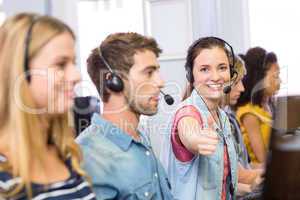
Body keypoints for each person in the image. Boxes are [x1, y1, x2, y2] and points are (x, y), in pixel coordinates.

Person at [0, 13, 96, 199]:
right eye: (60, 64)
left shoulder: (66, 155)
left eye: (73, 63)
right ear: (20, 73)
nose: (76, 76)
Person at [76, 32, 174, 199]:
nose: (161, 82)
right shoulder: (89, 157)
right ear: (112, 81)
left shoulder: (140, 137)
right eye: (149, 72)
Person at [160, 37, 238, 200]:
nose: (216, 76)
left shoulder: (221, 117)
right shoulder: (187, 113)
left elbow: (221, 184)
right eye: (204, 69)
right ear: (191, 76)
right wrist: (197, 139)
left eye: (222, 68)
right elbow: (189, 131)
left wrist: (251, 187)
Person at [223, 55, 263, 198]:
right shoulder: (216, 122)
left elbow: (245, 168)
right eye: (237, 81)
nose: (242, 88)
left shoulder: (228, 118)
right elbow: (240, 175)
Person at [236, 47, 281, 164]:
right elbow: (263, 159)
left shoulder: (270, 106)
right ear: (260, 78)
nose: (279, 81)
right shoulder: (249, 114)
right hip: (261, 174)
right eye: (275, 76)